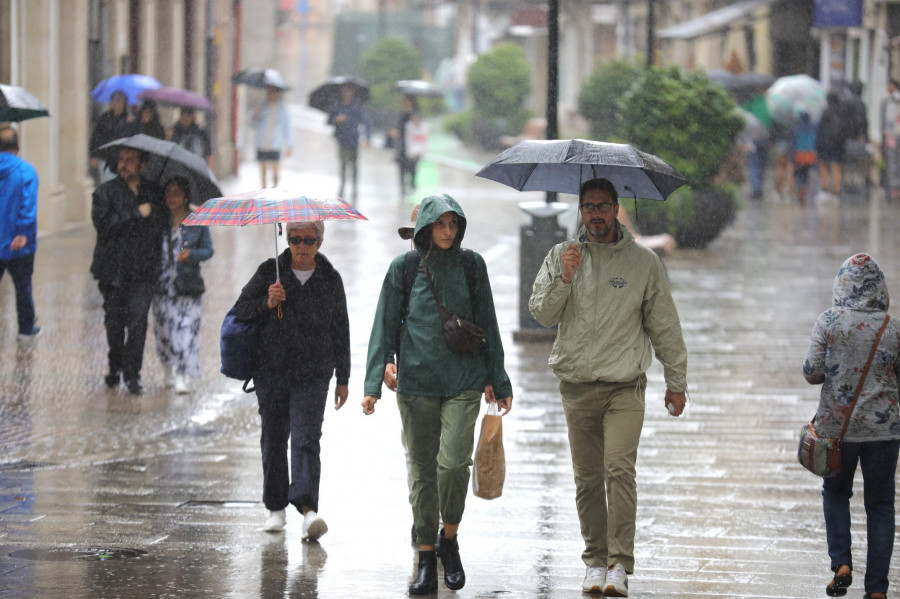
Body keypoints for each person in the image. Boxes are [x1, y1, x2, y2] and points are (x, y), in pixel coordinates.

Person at [528, 178, 687, 596]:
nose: (595, 214)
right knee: (587, 478)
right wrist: (564, 277)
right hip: (577, 385)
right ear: (579, 211)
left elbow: (665, 325)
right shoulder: (563, 255)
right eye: (588, 206)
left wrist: (677, 381)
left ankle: (619, 564)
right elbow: (541, 315)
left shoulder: (644, 263)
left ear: (617, 208)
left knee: (618, 470)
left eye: (603, 206)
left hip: (624, 387)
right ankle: (595, 561)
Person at [362, 194, 513, 595]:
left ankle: (450, 537)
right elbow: (384, 324)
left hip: (464, 380)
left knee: (452, 465)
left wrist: (498, 379)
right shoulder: (405, 267)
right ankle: (426, 555)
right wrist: (372, 384)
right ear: (426, 228)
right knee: (423, 473)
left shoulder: (472, 265)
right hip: (417, 384)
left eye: (453, 224)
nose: (447, 231)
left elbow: (489, 323)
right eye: (440, 224)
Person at [231, 220, 349, 539]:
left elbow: (341, 329)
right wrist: (267, 302)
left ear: (320, 243)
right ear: (286, 238)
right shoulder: (270, 271)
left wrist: (344, 377)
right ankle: (275, 507)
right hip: (271, 372)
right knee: (273, 437)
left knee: (306, 438)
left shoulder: (330, 278)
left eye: (309, 240)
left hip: (313, 374)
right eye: (295, 239)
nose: (301, 246)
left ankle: (309, 511)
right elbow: (241, 311)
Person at [802, 253, 900, 599]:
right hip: (884, 433)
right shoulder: (893, 327)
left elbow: (812, 372)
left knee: (835, 494)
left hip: (836, 431)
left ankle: (841, 563)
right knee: (881, 505)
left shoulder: (828, 321)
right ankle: (876, 589)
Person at [90, 147, 167, 394]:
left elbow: (160, 227)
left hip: (143, 272)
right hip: (113, 271)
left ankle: (133, 373)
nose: (124, 164)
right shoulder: (104, 192)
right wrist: (136, 214)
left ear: (142, 165)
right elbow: (105, 226)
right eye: (121, 160)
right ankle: (115, 365)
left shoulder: (154, 193)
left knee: (137, 323)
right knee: (114, 323)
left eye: (130, 160)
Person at [151, 176, 213, 395]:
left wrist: (191, 254)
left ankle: (182, 375)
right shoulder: (160, 221)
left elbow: (209, 250)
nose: (171, 198)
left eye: (176, 193)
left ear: (185, 196)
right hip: (162, 284)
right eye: (168, 193)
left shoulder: (197, 221)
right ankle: (168, 370)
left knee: (185, 329)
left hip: (188, 284)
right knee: (165, 330)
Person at [0, 127, 40, 340]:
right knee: (23, 287)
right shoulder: (26, 170)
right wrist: (23, 232)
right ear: (17, 146)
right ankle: (26, 327)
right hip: (19, 243)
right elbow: (28, 204)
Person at [327, 83, 372, 201]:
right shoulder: (337, 105)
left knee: (354, 165)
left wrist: (367, 137)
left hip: (353, 139)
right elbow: (328, 120)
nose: (347, 92)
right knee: (343, 163)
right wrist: (336, 119)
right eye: (345, 89)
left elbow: (365, 121)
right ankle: (342, 187)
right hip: (341, 139)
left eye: (350, 89)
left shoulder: (357, 106)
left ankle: (354, 188)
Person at [89, 90, 135, 184]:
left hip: (123, 159)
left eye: (120, 101)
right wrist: (95, 155)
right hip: (106, 158)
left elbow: (134, 137)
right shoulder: (104, 118)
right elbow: (96, 137)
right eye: (115, 100)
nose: (117, 103)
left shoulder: (130, 120)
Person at [252, 85, 292, 188]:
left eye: (274, 92)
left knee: (275, 171)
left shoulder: (283, 109)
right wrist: (256, 115)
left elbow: (287, 127)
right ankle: (263, 191)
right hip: (263, 142)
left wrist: (289, 145)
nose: (271, 94)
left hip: (275, 143)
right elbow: (253, 125)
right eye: (270, 92)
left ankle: (275, 188)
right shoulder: (262, 106)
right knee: (263, 169)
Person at [817, 92, 848, 197]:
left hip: (826, 143)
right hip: (838, 143)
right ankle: (836, 188)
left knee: (824, 164)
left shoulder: (825, 112)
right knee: (836, 165)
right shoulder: (841, 112)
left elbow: (820, 129)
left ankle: (825, 187)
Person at [792, 111, 817, 205]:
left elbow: (794, 143)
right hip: (810, 155)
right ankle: (804, 191)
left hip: (799, 155)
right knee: (806, 175)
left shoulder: (797, 129)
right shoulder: (813, 128)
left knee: (799, 175)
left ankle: (800, 191)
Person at [770, 118, 794, 201]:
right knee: (789, 168)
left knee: (780, 168)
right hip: (790, 144)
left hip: (779, 144)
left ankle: (778, 191)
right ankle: (789, 192)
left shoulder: (777, 119)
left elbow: (772, 133)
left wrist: (772, 145)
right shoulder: (792, 118)